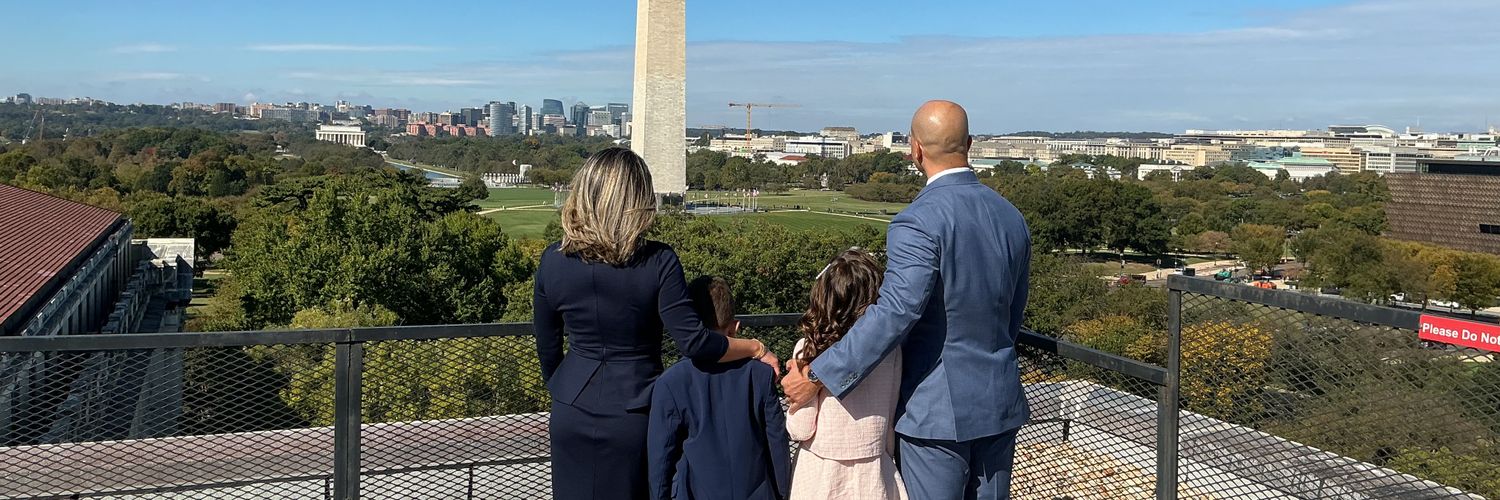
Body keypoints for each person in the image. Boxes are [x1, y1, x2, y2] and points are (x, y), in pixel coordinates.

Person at [781, 101, 1033, 500]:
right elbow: (1012, 313)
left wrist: (817, 374)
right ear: (969, 144)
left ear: (915, 150)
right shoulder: (1010, 216)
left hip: (935, 414)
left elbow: (895, 311)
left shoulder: (918, 220)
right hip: (999, 403)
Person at [534, 147, 780, 500]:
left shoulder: (553, 261)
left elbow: (547, 346)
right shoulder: (659, 261)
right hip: (635, 410)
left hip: (569, 410)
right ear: (638, 200)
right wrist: (755, 347)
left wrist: (565, 389)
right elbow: (695, 342)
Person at [647, 276, 791, 500]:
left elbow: (661, 461)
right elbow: (777, 445)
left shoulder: (671, 383)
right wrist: (783, 493)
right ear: (735, 328)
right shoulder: (760, 375)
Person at [786, 250, 906, 500]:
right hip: (874, 471)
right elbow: (891, 414)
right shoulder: (891, 352)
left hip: (821, 475)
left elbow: (801, 429)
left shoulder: (808, 350)